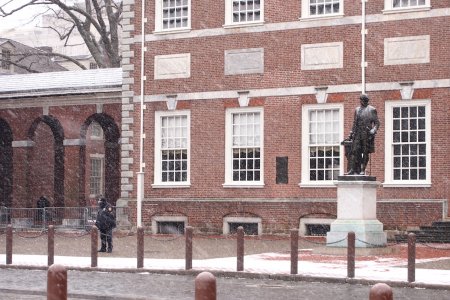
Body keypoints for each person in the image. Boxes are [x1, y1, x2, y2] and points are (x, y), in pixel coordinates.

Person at [346, 94, 380, 175]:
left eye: (363, 100)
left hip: (366, 134)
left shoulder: (372, 109)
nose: (361, 102)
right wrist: (351, 133)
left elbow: (377, 123)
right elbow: (354, 123)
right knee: (354, 151)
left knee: (365, 152)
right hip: (357, 133)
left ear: (366, 101)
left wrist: (373, 130)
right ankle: (353, 169)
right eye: (361, 100)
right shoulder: (357, 110)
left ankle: (362, 169)